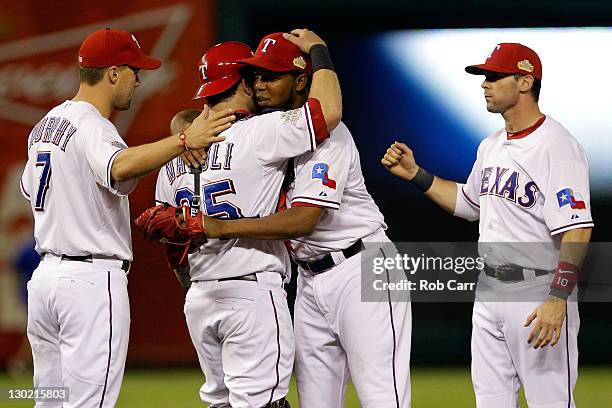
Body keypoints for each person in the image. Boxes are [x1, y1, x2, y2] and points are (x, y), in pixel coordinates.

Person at [19, 28, 233, 407]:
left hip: (45, 283)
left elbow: (29, 189)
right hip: (88, 281)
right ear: (113, 72)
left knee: (50, 402)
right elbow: (118, 167)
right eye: (135, 70)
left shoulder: (44, 126)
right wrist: (183, 141)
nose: (139, 80)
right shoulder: (93, 126)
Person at [201, 32, 412, 408]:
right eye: (256, 77)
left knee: (383, 396)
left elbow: (304, 219)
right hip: (310, 280)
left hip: (361, 268)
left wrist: (223, 228)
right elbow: (192, 118)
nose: (261, 86)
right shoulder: (274, 133)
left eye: (272, 76)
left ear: (301, 80)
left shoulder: (329, 138)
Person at [382, 43, 593, 407]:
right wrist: (417, 175)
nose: (485, 84)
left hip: (537, 290)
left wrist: (557, 298)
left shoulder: (557, 146)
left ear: (526, 81)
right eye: (484, 77)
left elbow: (578, 229)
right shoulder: (490, 145)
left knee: (552, 402)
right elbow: (468, 203)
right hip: (489, 289)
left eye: (495, 76)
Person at [154, 30, 342, 408]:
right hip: (251, 292)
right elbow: (330, 111)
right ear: (240, 82)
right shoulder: (260, 132)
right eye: (252, 77)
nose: (259, 84)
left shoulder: (173, 157)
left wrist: (197, 285)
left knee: (221, 403)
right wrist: (320, 50)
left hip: (200, 298)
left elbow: (171, 241)